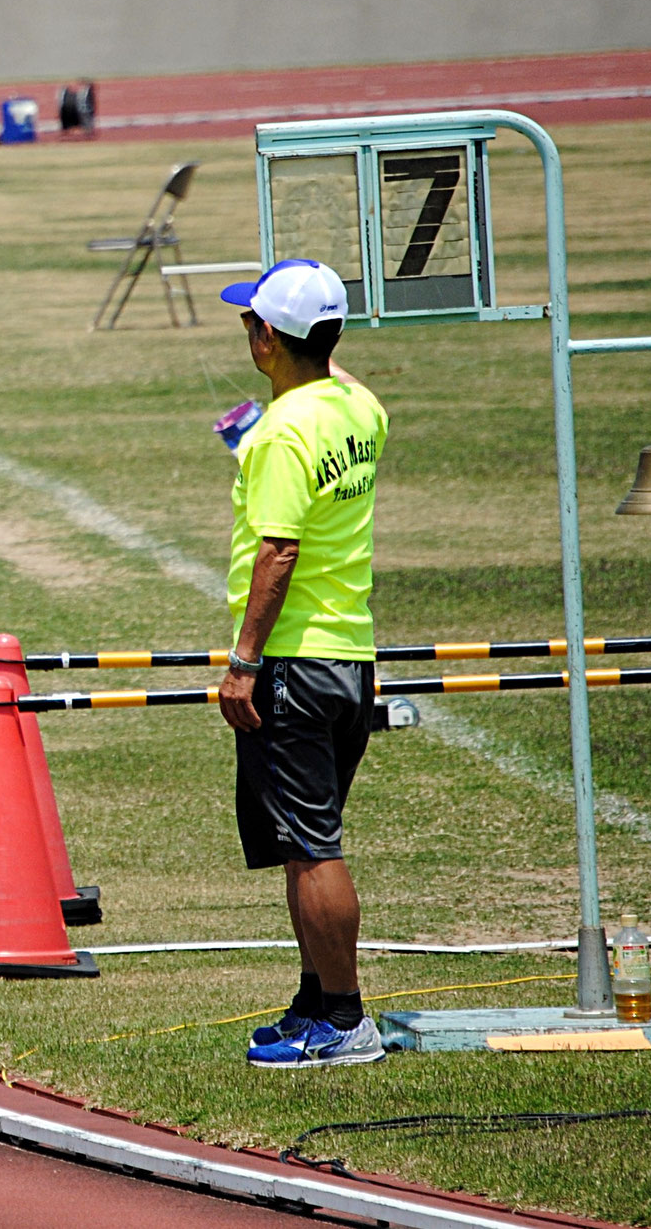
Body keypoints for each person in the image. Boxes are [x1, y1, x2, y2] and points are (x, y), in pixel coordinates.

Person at [214, 259, 389, 1070]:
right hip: (348, 657)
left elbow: (277, 554)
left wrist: (243, 662)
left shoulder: (282, 432)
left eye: (251, 321)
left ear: (267, 338)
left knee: (315, 845)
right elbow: (331, 373)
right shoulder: (358, 407)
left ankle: (348, 1020)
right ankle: (316, 1001)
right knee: (299, 841)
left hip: (293, 661)